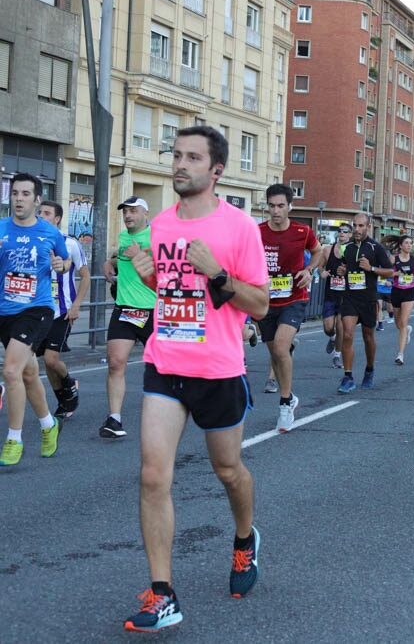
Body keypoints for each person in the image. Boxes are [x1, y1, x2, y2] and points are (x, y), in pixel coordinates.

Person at [122, 125, 270, 632]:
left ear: (216, 170)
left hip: (219, 369)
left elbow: (262, 304)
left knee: (228, 471)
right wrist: (147, 276)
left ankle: (245, 540)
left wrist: (218, 275)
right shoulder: (160, 224)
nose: (179, 164)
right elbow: (169, 291)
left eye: (192, 157)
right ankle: (162, 593)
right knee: (151, 475)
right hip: (166, 363)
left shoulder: (238, 229)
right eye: (176, 155)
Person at [0, 173, 69, 467]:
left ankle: (14, 439)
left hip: (37, 309)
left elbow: (66, 263)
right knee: (28, 373)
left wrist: (59, 265)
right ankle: (47, 425)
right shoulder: (1, 228)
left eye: (25, 194)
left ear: (37, 199)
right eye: (15, 193)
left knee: (11, 371)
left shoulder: (50, 233)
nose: (18, 199)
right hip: (5, 311)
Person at [258, 184, 322, 432]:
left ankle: (285, 403)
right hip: (266, 301)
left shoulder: (302, 231)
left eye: (281, 206)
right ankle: (291, 396)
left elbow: (317, 252)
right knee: (276, 353)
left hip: (294, 298)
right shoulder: (257, 232)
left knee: (282, 347)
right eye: (272, 206)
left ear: (289, 207)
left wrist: (309, 270)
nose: (276, 211)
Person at [101, 196, 157, 439]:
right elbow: (121, 257)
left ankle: (169, 413)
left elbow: (167, 270)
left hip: (154, 310)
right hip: (124, 309)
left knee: (161, 368)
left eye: (133, 211)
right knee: (115, 362)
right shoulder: (124, 238)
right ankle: (114, 419)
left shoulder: (158, 236)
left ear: (146, 213)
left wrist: (138, 256)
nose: (128, 216)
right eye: (125, 212)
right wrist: (109, 262)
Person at [37, 200, 90, 420]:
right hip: (37, 311)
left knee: (51, 359)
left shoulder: (70, 244)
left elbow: (85, 275)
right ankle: (63, 400)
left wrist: (76, 305)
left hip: (62, 310)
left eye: (46, 213)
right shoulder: (33, 242)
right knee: (46, 363)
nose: (41, 215)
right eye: (39, 212)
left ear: (57, 219)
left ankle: (69, 382)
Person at [335, 212, 393, 393]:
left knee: (368, 337)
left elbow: (390, 272)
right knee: (347, 334)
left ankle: (369, 369)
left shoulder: (376, 248)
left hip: (368, 299)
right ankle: (348, 376)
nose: (357, 229)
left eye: (361, 226)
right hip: (350, 297)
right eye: (355, 226)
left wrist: (371, 268)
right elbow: (344, 265)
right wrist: (342, 270)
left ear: (368, 227)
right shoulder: (348, 247)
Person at [386, 234, 414, 365]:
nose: (409, 245)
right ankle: (407, 329)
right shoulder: (393, 259)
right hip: (397, 291)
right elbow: (385, 271)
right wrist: (394, 274)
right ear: (401, 245)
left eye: (411, 243)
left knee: (403, 321)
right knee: (399, 324)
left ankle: (400, 355)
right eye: (407, 243)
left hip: (409, 291)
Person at [320, 224, 352, 369]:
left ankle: (337, 356)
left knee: (340, 325)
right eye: (340, 231)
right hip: (331, 294)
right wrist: (322, 272)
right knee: (328, 328)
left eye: (345, 232)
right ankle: (332, 338)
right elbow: (320, 266)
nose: (342, 234)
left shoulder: (353, 251)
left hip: (346, 295)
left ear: (350, 234)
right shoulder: (328, 250)